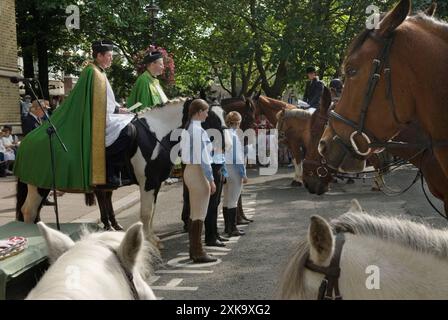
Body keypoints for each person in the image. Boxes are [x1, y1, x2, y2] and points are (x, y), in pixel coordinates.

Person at [14, 40, 135, 191]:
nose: (111, 58)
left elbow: (107, 101)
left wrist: (119, 108)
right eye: (109, 55)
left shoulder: (99, 71)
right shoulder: (94, 72)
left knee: (129, 125)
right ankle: (109, 173)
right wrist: (117, 110)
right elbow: (100, 103)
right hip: (96, 118)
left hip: (103, 114)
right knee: (127, 131)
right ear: (99, 55)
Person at [181, 99, 217, 263]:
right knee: (199, 213)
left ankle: (193, 250)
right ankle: (198, 251)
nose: (207, 114)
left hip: (189, 170)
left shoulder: (188, 128)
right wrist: (210, 179)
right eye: (206, 111)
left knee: (194, 212)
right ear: (199, 111)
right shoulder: (197, 130)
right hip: (198, 172)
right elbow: (204, 158)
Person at [223, 111, 248, 237]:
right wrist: (243, 174)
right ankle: (232, 228)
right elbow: (237, 157)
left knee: (226, 199)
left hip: (225, 169)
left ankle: (227, 227)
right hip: (234, 170)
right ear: (238, 122)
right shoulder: (234, 135)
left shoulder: (223, 133)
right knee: (233, 200)